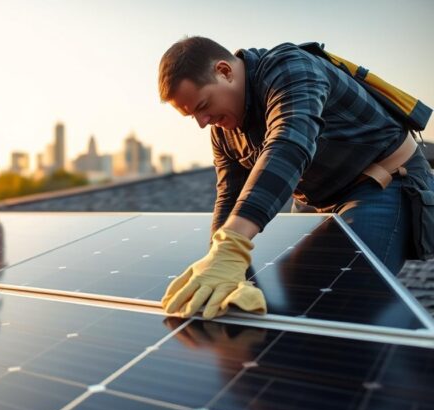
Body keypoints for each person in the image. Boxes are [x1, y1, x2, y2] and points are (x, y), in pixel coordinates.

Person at [157, 36, 433, 319]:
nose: (202, 123)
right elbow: (229, 197)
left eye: (202, 106)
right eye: (193, 116)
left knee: (342, 294)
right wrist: (219, 258)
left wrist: (233, 244)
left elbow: (289, 143)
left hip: (382, 179)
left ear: (225, 71)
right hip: (316, 198)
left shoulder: (290, 69)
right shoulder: (223, 129)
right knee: (289, 295)